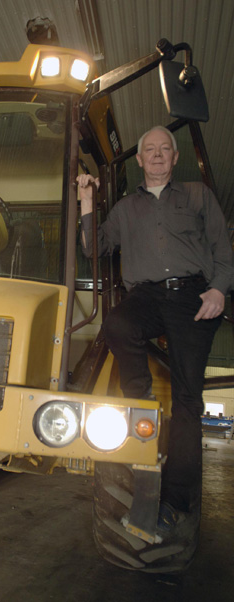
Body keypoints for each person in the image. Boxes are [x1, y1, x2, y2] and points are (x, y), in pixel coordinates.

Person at [77, 125, 234, 531]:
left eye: (166, 148)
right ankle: (140, 401)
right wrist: (87, 199)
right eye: (151, 149)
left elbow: (223, 248)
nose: (159, 154)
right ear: (141, 160)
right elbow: (95, 247)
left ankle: (175, 502)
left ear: (175, 158)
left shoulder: (198, 196)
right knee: (117, 324)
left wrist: (218, 290)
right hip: (145, 295)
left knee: (187, 398)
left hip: (192, 297)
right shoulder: (127, 209)